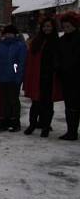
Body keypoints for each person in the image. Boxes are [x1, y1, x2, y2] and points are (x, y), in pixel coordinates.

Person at [22, 18, 61, 137]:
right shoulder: (37, 41)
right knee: (36, 103)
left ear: (53, 27)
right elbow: (31, 59)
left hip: (50, 77)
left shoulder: (57, 41)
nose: (46, 28)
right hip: (38, 76)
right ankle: (32, 125)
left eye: (49, 26)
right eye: (44, 26)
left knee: (48, 104)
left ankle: (45, 127)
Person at [0, 25, 27, 132]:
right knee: (4, 101)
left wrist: (18, 78)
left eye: (10, 33)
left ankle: (15, 122)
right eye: (7, 33)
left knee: (13, 101)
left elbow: (21, 63)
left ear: (15, 34)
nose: (8, 35)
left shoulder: (20, 46)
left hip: (13, 78)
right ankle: (4, 122)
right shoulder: (0, 45)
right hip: (1, 77)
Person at [56, 11, 80, 140]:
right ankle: (71, 131)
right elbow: (58, 57)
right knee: (70, 106)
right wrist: (59, 68)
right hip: (66, 78)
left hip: (77, 77)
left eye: (69, 26)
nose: (67, 29)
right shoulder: (62, 40)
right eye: (65, 27)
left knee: (75, 105)